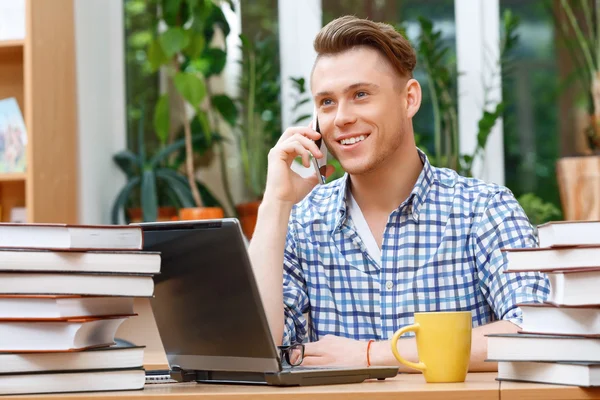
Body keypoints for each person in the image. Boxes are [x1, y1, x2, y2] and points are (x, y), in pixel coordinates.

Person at [248, 15, 549, 371]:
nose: (341, 118)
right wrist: (276, 203)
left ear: (409, 99)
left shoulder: (483, 210)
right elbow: (258, 351)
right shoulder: (301, 223)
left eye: (360, 95)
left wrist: (374, 355)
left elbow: (536, 333)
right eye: (327, 102)